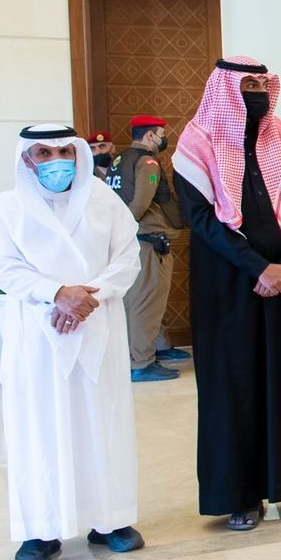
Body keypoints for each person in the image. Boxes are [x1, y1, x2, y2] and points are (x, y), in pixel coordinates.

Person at [174, 57, 281, 530]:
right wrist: (258, 267)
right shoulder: (195, 146)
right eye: (245, 83)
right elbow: (202, 220)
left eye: (259, 84)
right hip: (230, 286)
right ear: (225, 89)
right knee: (236, 385)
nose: (253, 91)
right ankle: (242, 494)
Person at [0, 125, 145, 560]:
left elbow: (127, 259)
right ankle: (40, 531)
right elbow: (4, 267)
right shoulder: (8, 208)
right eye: (44, 153)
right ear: (27, 159)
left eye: (65, 151)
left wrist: (86, 297)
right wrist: (57, 294)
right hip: (37, 332)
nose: (57, 160)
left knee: (102, 423)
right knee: (39, 427)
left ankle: (110, 520)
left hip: (97, 323)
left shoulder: (104, 201)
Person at [108, 115, 184, 382]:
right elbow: (140, 204)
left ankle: (144, 353)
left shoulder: (120, 160)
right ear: (150, 135)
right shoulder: (147, 162)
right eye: (161, 133)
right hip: (147, 242)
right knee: (146, 304)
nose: (164, 138)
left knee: (136, 301)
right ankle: (142, 362)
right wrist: (126, 230)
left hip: (133, 241)